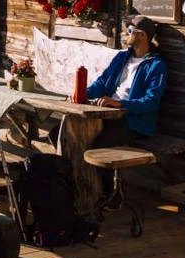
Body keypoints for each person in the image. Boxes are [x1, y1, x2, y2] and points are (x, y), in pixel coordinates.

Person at [52, 15, 168, 198]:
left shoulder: (156, 66)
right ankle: (72, 184)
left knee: (98, 147)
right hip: (107, 112)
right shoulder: (122, 57)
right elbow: (103, 83)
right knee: (58, 132)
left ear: (143, 36)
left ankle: (109, 195)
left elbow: (150, 102)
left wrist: (120, 103)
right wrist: (81, 93)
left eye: (130, 31)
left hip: (132, 121)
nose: (126, 33)